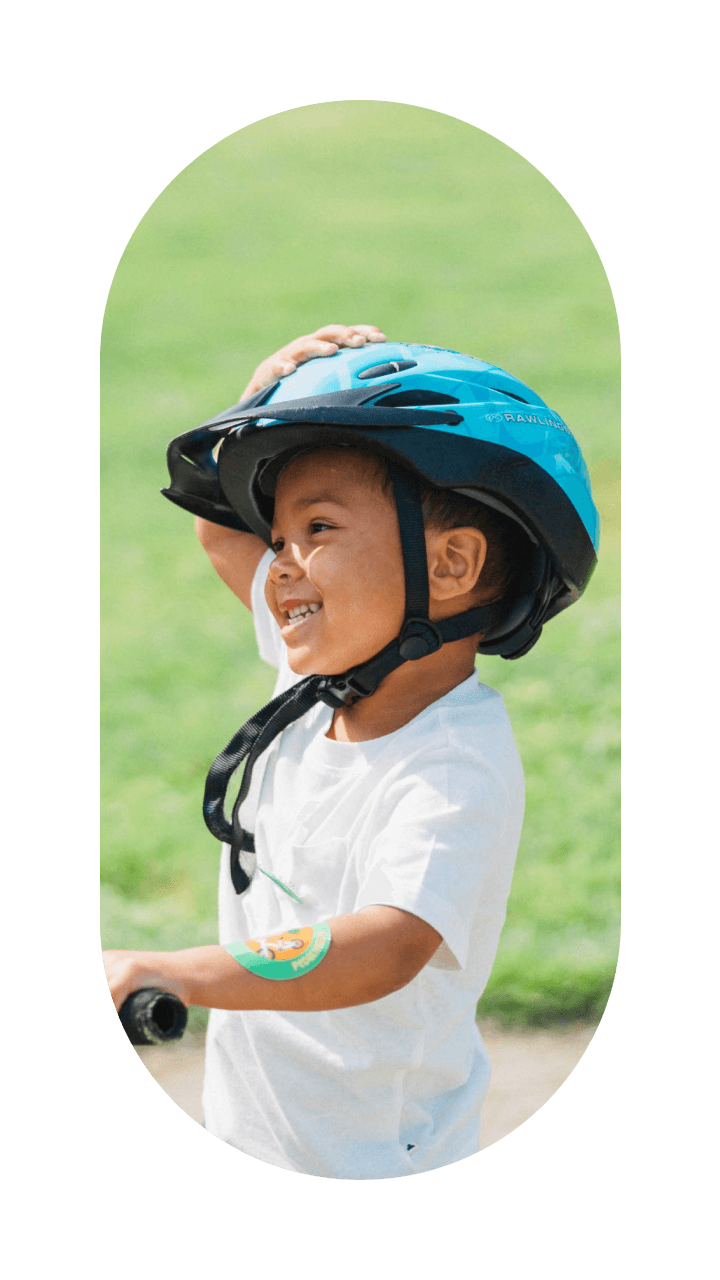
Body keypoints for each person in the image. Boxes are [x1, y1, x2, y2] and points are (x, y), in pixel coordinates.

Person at [104, 324, 599, 1178]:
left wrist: (176, 971)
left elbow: (386, 944)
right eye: (280, 536)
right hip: (257, 1138)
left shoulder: (454, 762)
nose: (280, 564)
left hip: (376, 1163)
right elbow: (222, 535)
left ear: (450, 565)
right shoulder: (321, 680)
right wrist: (266, 397)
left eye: (317, 528)